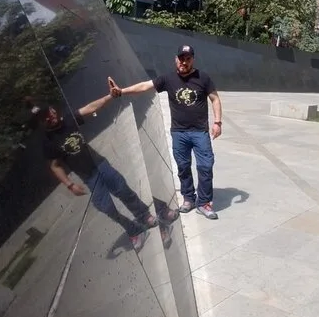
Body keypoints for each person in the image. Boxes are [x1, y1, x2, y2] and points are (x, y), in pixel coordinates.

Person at [25, 88, 178, 250]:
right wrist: (70, 185)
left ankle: (147, 216)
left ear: (52, 110)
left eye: (48, 112)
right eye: (44, 118)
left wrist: (110, 96)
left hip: (100, 165)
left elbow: (91, 107)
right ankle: (134, 230)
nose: (49, 117)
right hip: (89, 177)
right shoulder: (48, 142)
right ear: (41, 123)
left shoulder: (69, 120)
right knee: (106, 207)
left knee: (124, 191)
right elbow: (55, 166)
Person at [109, 45, 222, 220]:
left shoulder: (203, 78)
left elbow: (215, 99)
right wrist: (122, 91)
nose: (184, 62)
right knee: (183, 167)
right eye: (181, 58)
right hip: (179, 133)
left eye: (188, 59)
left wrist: (217, 122)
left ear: (193, 59)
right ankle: (189, 199)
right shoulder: (168, 79)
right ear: (176, 59)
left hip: (200, 132)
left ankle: (204, 203)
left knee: (205, 166)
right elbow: (144, 86)